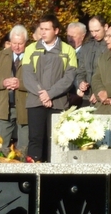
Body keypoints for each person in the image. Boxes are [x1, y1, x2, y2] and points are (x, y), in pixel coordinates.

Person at [22, 14, 77, 162]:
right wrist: (42, 94)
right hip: (35, 101)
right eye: (41, 29)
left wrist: (50, 94)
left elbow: (69, 78)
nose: (43, 32)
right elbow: (27, 75)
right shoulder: (31, 49)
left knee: (56, 141)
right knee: (35, 138)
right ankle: (34, 169)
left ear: (56, 31)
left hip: (58, 103)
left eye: (47, 29)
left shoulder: (68, 50)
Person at [0, 25, 30, 154]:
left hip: (25, 107)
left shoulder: (32, 56)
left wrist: (20, 84)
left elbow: (39, 82)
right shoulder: (1, 55)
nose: (17, 47)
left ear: (26, 42)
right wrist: (3, 82)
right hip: (4, 107)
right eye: (14, 43)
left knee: (24, 149)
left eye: (20, 43)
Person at [76, 15, 108, 101]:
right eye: (91, 31)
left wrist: (99, 92)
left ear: (105, 27)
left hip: (104, 97)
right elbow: (81, 71)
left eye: (97, 31)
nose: (94, 34)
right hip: (87, 97)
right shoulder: (86, 47)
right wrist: (81, 82)